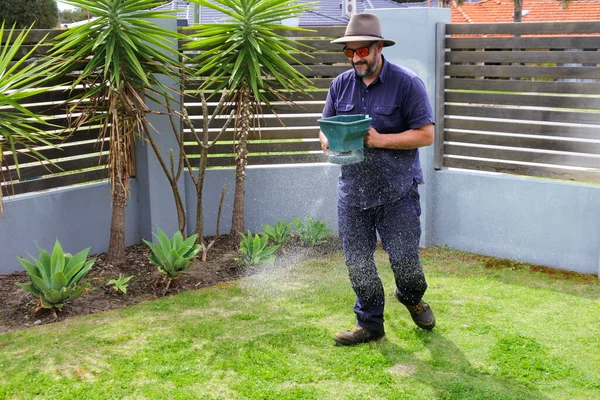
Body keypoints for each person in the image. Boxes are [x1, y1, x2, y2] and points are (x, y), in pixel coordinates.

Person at [320, 13, 436, 345]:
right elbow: (324, 129)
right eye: (350, 52)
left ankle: (412, 296)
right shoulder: (340, 85)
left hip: (397, 191)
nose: (357, 58)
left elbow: (426, 135)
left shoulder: (407, 83)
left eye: (362, 51)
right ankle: (370, 324)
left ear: (378, 47)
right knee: (357, 261)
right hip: (353, 191)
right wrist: (328, 141)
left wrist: (380, 140)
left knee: (405, 260)